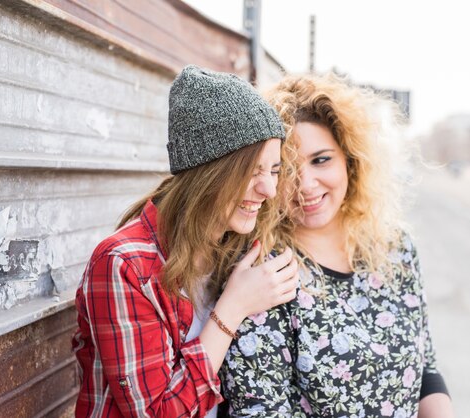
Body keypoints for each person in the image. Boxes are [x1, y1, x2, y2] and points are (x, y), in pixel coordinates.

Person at [220, 74, 454, 418]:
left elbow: (425, 370)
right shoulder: (264, 273)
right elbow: (259, 409)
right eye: (286, 169)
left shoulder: (395, 247)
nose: (306, 184)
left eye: (320, 160)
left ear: (350, 159)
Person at [72, 65, 300, 418]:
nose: (268, 190)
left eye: (273, 170)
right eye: (252, 171)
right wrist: (233, 308)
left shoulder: (235, 248)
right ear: (209, 172)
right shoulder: (124, 265)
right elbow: (157, 413)